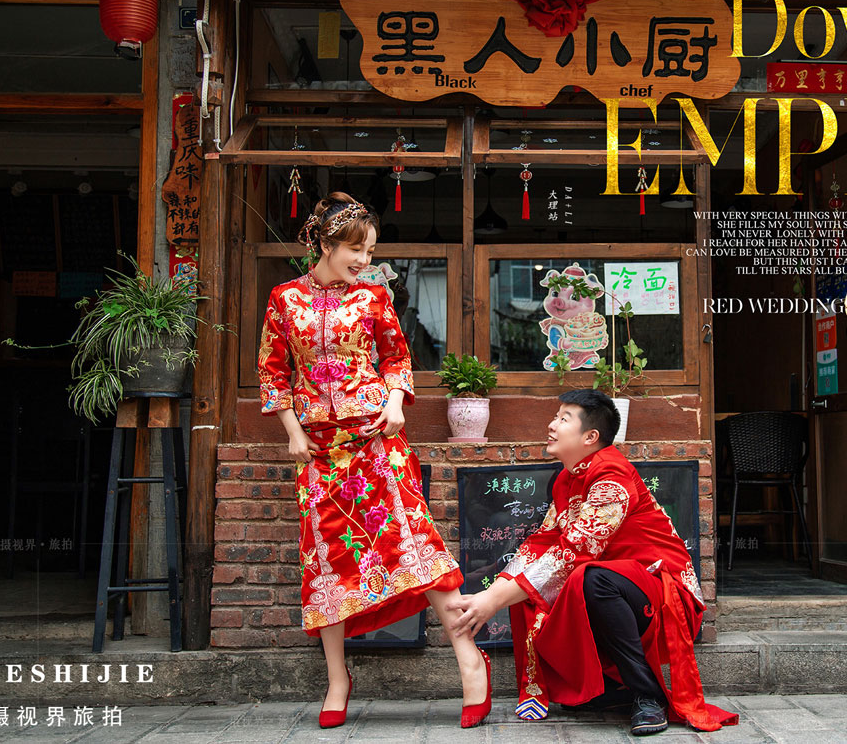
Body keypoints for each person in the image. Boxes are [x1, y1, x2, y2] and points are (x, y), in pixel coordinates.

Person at [257, 191, 491, 729]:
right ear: (325, 244)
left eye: (369, 251)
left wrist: (394, 405)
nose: (364, 260)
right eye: (356, 250)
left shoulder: (374, 297)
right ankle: (337, 679)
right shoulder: (283, 299)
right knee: (327, 561)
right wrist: (293, 432)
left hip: (376, 442)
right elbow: (271, 371)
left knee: (418, 546)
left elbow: (396, 359)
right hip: (318, 450)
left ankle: (469, 662)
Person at [448, 389, 738, 736]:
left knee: (588, 579)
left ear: (590, 437)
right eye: (555, 417)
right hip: (622, 588)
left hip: (665, 594)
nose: (551, 425)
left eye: (563, 419)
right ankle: (613, 689)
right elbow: (540, 545)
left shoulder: (612, 475)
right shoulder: (567, 479)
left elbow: (575, 551)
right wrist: (493, 590)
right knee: (534, 588)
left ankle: (647, 695)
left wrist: (492, 601)